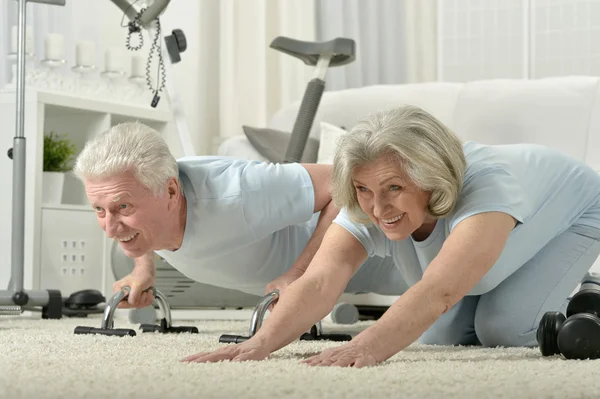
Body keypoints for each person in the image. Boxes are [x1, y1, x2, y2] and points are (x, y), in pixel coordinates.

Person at [183, 104, 600, 367]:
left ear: (429, 180)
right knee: (441, 337)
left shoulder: (485, 188)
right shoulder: (366, 196)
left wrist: (367, 346)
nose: (377, 209)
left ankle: (588, 299)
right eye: (364, 190)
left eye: (394, 189)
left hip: (578, 211)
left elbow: (438, 290)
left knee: (504, 331)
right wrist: (261, 344)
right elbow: (321, 279)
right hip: (495, 247)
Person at [73, 122, 408, 309]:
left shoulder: (237, 194)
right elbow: (137, 220)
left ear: (172, 193)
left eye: (122, 208)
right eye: (99, 210)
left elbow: (344, 181)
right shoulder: (150, 196)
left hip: (393, 255)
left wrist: (299, 274)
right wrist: (143, 269)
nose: (109, 228)